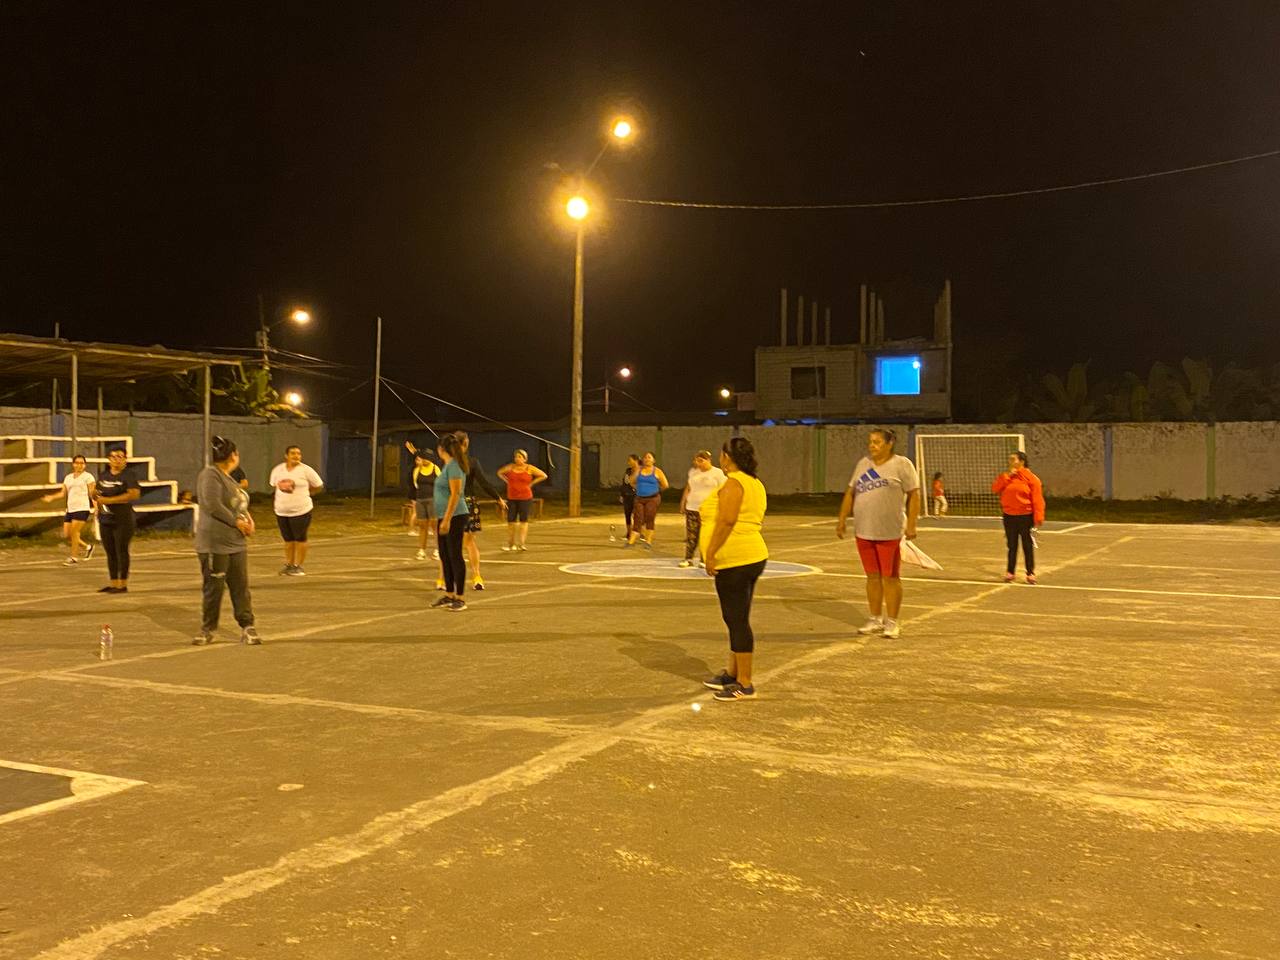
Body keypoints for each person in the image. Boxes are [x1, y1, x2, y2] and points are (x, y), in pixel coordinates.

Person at [700, 438, 768, 702]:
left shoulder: (734, 483)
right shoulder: (754, 482)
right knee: (737, 618)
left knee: (736, 620)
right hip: (751, 555)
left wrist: (711, 553)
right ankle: (733, 672)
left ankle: (745, 684)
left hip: (735, 559)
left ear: (726, 457)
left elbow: (727, 520)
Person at [836, 428, 920, 639]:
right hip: (864, 531)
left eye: (877, 442)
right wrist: (842, 519)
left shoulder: (902, 464)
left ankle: (892, 622)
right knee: (872, 577)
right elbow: (851, 492)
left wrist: (911, 524)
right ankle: (875, 618)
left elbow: (914, 495)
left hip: (889, 532)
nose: (871, 446)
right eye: (870, 441)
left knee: (890, 577)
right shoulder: (863, 464)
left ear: (889, 444)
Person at [193, 436, 260, 645]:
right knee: (214, 588)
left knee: (240, 587)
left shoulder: (230, 479)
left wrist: (249, 520)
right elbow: (212, 505)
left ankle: (247, 626)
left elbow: (238, 505)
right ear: (233, 455)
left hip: (236, 544)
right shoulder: (210, 475)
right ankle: (208, 629)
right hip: (215, 544)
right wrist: (236, 522)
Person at [453, 431, 506, 591]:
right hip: (470, 504)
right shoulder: (472, 462)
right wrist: (498, 498)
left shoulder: (449, 463)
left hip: (454, 504)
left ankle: (447, 579)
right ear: (466, 443)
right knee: (469, 542)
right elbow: (484, 483)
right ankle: (477, 576)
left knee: (453, 544)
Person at [269, 445, 323, 577]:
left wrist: (308, 493)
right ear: (286, 456)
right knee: (288, 540)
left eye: (298, 453)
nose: (296, 456)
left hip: (301, 511)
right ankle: (289, 564)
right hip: (282, 511)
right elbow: (274, 485)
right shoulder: (278, 470)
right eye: (293, 453)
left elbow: (318, 485)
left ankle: (298, 565)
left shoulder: (306, 470)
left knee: (300, 539)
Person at [992, 451, 1045, 584]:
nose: (1010, 461)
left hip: (1025, 517)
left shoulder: (1031, 478)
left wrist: (1038, 517)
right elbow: (995, 488)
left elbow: (1037, 499)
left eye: (1013, 459)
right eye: (1009, 459)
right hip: (1009, 516)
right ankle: (1010, 572)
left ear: (1021, 462)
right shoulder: (1006, 476)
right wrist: (1007, 476)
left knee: (1027, 545)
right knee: (1011, 545)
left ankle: (1030, 573)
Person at [93, 447, 141, 593]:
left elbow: (134, 494)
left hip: (123, 519)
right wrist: (96, 499)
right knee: (110, 551)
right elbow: (97, 492)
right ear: (109, 459)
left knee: (121, 550)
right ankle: (113, 583)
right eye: (113, 457)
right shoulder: (104, 475)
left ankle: (122, 584)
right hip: (106, 518)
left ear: (125, 459)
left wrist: (109, 500)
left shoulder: (128, 475)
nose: (116, 460)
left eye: (120, 457)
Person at [432, 433, 470, 611]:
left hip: (455, 516)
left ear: (441, 449)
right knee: (444, 555)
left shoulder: (454, 466)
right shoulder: (447, 465)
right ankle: (449, 594)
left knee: (455, 556)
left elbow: (456, 494)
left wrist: (447, 519)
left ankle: (460, 598)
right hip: (444, 516)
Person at [41, 453, 96, 566]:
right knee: (67, 534)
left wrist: (96, 506)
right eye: (77, 463)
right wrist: (51, 497)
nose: (79, 465)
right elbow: (63, 493)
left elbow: (92, 493)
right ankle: (88, 547)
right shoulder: (68, 477)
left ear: (85, 465)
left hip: (82, 508)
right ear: (73, 464)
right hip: (70, 509)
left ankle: (73, 558)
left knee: (75, 532)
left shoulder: (88, 477)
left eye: (82, 463)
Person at [678, 450, 726, 568]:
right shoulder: (693, 472)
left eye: (701, 461)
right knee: (691, 535)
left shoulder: (717, 473)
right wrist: (683, 502)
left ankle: (704, 559)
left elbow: (723, 490)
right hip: (692, 508)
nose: (698, 463)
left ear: (708, 460)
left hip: (709, 510)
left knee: (707, 535)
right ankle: (688, 558)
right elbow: (688, 488)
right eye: (696, 461)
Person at [498, 449, 547, 551]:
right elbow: (499, 472)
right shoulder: (511, 467)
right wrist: (507, 480)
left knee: (523, 521)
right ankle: (511, 544)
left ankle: (521, 544)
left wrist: (532, 483)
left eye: (520, 457)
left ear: (525, 459)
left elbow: (543, 475)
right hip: (512, 497)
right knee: (511, 521)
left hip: (525, 497)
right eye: (516, 457)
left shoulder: (529, 468)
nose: (517, 459)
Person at [626, 452, 668, 548]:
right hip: (639, 498)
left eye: (649, 457)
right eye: (645, 457)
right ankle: (631, 542)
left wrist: (655, 490)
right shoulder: (639, 470)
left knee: (650, 517)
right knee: (637, 518)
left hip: (653, 498)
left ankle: (648, 541)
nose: (647, 459)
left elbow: (665, 485)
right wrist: (639, 488)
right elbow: (631, 482)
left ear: (654, 460)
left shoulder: (657, 471)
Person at [406, 446, 441, 561]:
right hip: (420, 500)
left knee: (434, 526)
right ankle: (422, 550)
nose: (424, 459)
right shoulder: (417, 470)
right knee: (422, 526)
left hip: (433, 500)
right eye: (423, 457)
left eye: (426, 458)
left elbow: (441, 484)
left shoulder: (435, 469)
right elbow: (414, 485)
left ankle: (438, 550)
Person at [617, 453, 640, 539]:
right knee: (627, 515)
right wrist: (622, 494)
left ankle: (639, 533)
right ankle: (628, 533)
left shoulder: (641, 471)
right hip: (627, 496)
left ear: (636, 460)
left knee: (637, 515)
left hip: (636, 495)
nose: (628, 462)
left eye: (630, 460)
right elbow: (624, 483)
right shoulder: (628, 471)